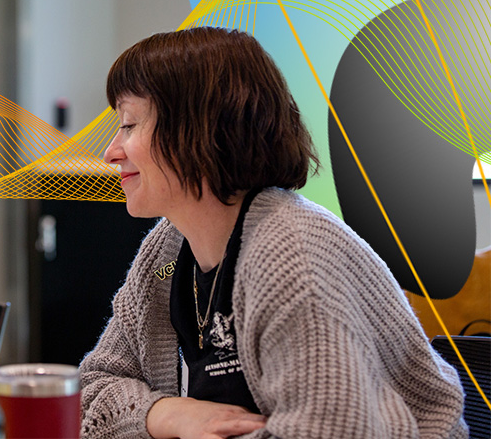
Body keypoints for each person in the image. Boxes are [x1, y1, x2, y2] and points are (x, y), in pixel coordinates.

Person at [79, 27, 467, 438]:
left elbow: (333, 432)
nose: (111, 151)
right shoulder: (168, 249)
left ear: (198, 130)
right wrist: (169, 415)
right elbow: (94, 385)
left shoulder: (292, 254)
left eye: (130, 124)